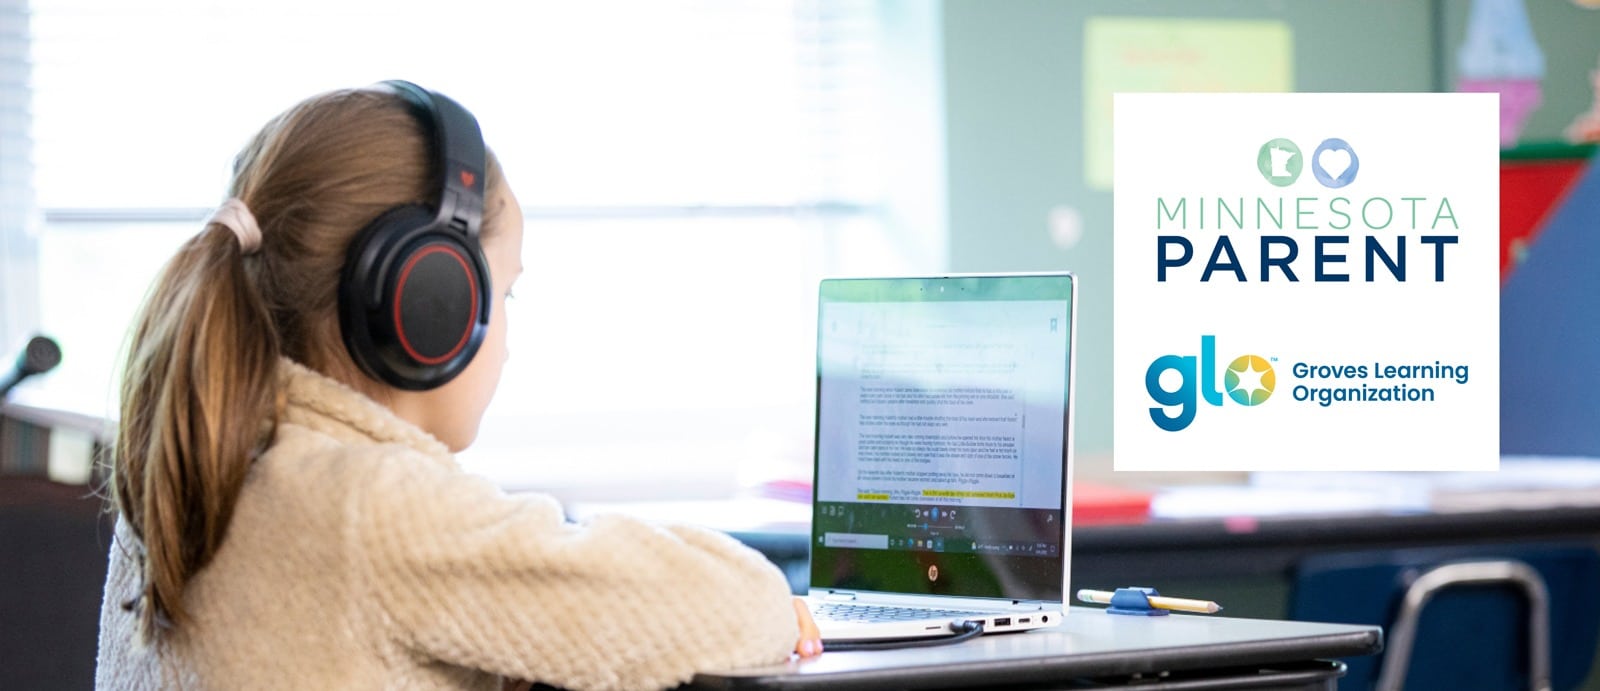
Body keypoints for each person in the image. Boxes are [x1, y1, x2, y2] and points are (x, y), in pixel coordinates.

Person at [94, 82, 822, 691]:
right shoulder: (372, 505)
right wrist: (769, 600)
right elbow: (726, 608)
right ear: (429, 304)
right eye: (505, 295)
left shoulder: (196, 463)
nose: (505, 337)